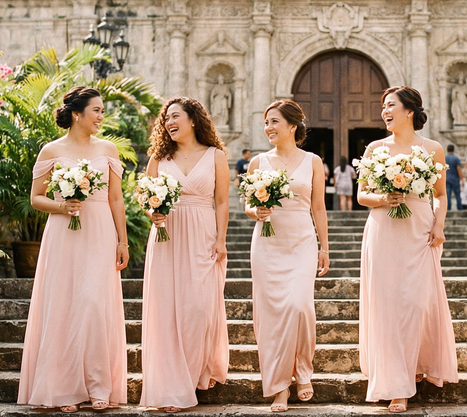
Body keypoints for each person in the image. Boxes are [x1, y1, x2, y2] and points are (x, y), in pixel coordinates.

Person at [18, 86, 129, 413]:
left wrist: (122, 241)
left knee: (95, 304)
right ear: (77, 113)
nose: (101, 116)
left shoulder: (108, 148)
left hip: (99, 232)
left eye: (102, 110)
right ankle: (63, 388)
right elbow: (35, 197)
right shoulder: (51, 151)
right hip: (63, 233)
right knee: (65, 305)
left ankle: (98, 384)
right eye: (96, 110)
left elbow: (116, 198)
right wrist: (61, 206)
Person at [357, 86, 458, 413]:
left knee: (415, 302)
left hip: (419, 228)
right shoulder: (375, 148)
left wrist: (439, 224)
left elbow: (440, 194)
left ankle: (414, 364)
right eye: (383, 105)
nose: (385, 111)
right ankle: (397, 385)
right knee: (387, 305)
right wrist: (384, 198)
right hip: (384, 228)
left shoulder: (432, 149)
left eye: (390, 105)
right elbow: (362, 196)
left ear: (410, 110)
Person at [140, 97, 230, 412]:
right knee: (166, 311)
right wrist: (153, 214)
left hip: (204, 236)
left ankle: (191, 374)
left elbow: (221, 201)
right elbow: (147, 199)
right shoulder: (158, 159)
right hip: (167, 237)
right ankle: (172, 386)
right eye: (165, 118)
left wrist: (221, 239)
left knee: (198, 309)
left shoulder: (215, 156)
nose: (168, 122)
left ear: (193, 120)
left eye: (174, 116)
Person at [245, 99, 330, 412]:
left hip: (302, 241)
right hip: (267, 243)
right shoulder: (257, 163)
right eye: (266, 122)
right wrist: (257, 210)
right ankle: (280, 386)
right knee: (270, 316)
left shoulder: (313, 161)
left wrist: (325, 246)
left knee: (299, 306)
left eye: (274, 122)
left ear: (293, 126)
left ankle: (303, 370)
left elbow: (318, 207)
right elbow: (248, 205)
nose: (268, 128)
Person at [444, 144, 464, 210]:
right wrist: (462, 179)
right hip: (455, 178)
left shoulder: (445, 158)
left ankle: (448, 208)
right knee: (457, 194)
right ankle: (459, 207)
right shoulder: (456, 158)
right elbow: (459, 169)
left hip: (447, 178)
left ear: (447, 150)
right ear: (453, 150)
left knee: (448, 194)